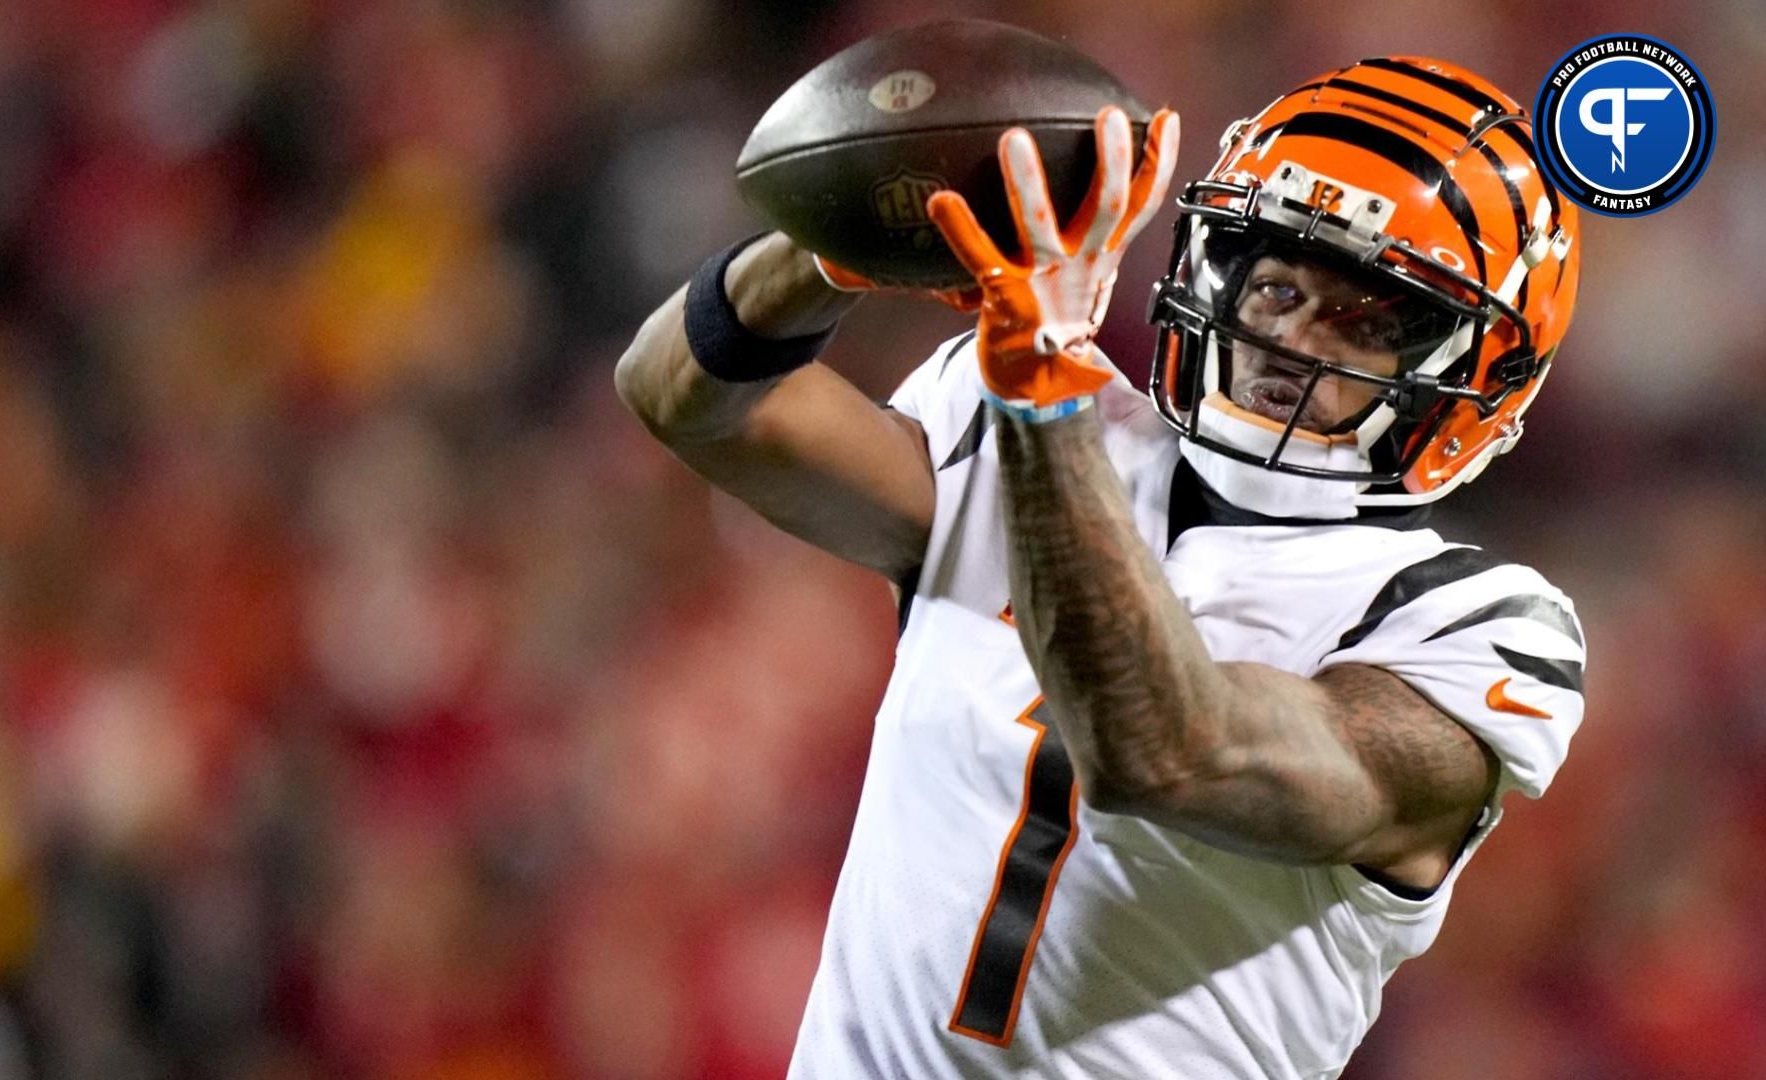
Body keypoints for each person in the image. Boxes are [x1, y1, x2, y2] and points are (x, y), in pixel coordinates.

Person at [615, 56, 1584, 1080]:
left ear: (1478, 381)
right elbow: (684, 397)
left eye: (1364, 318)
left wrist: (1046, 385)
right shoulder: (1028, 414)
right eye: (1276, 284)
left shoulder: (1476, 625)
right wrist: (848, 246)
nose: (1294, 336)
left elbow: (1168, 752)